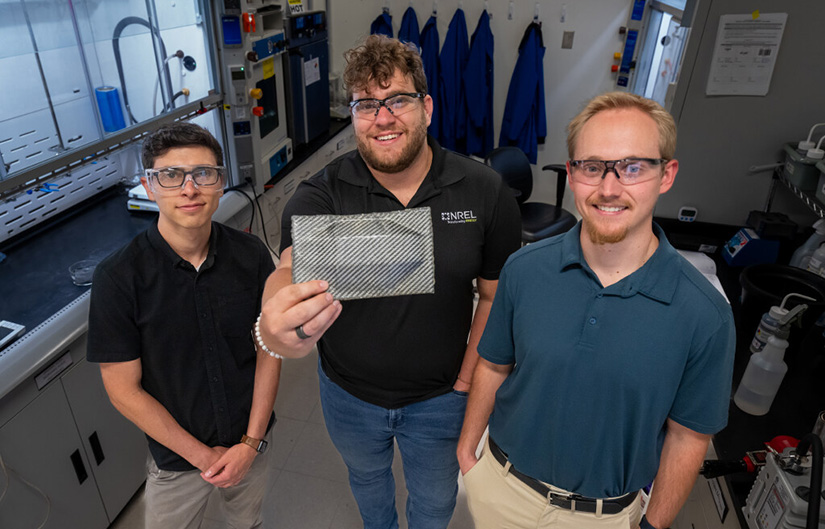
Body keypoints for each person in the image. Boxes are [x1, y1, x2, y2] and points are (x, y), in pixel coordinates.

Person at [256, 35, 521, 529]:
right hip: (349, 396)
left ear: (426, 107)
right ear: (354, 115)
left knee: (436, 501)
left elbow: (493, 295)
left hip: (442, 397)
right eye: (366, 104)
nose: (382, 117)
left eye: (397, 99)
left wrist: (467, 381)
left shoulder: (484, 191)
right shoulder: (323, 194)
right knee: (368, 484)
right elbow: (288, 269)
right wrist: (275, 318)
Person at [457, 92, 736, 529]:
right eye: (592, 167)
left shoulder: (704, 315)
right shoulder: (524, 269)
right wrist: (467, 453)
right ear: (572, 174)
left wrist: (651, 525)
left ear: (666, 175)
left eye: (633, 166)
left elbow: (688, 436)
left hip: (601, 518)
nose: (609, 188)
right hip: (499, 490)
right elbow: (493, 365)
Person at [87, 122, 280, 529]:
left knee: (246, 523)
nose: (189, 189)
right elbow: (123, 391)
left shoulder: (251, 256)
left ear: (220, 182)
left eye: (203, 174)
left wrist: (250, 443)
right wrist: (203, 457)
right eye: (171, 176)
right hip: (177, 460)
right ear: (149, 185)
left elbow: (269, 350)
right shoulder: (119, 278)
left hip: (250, 444)